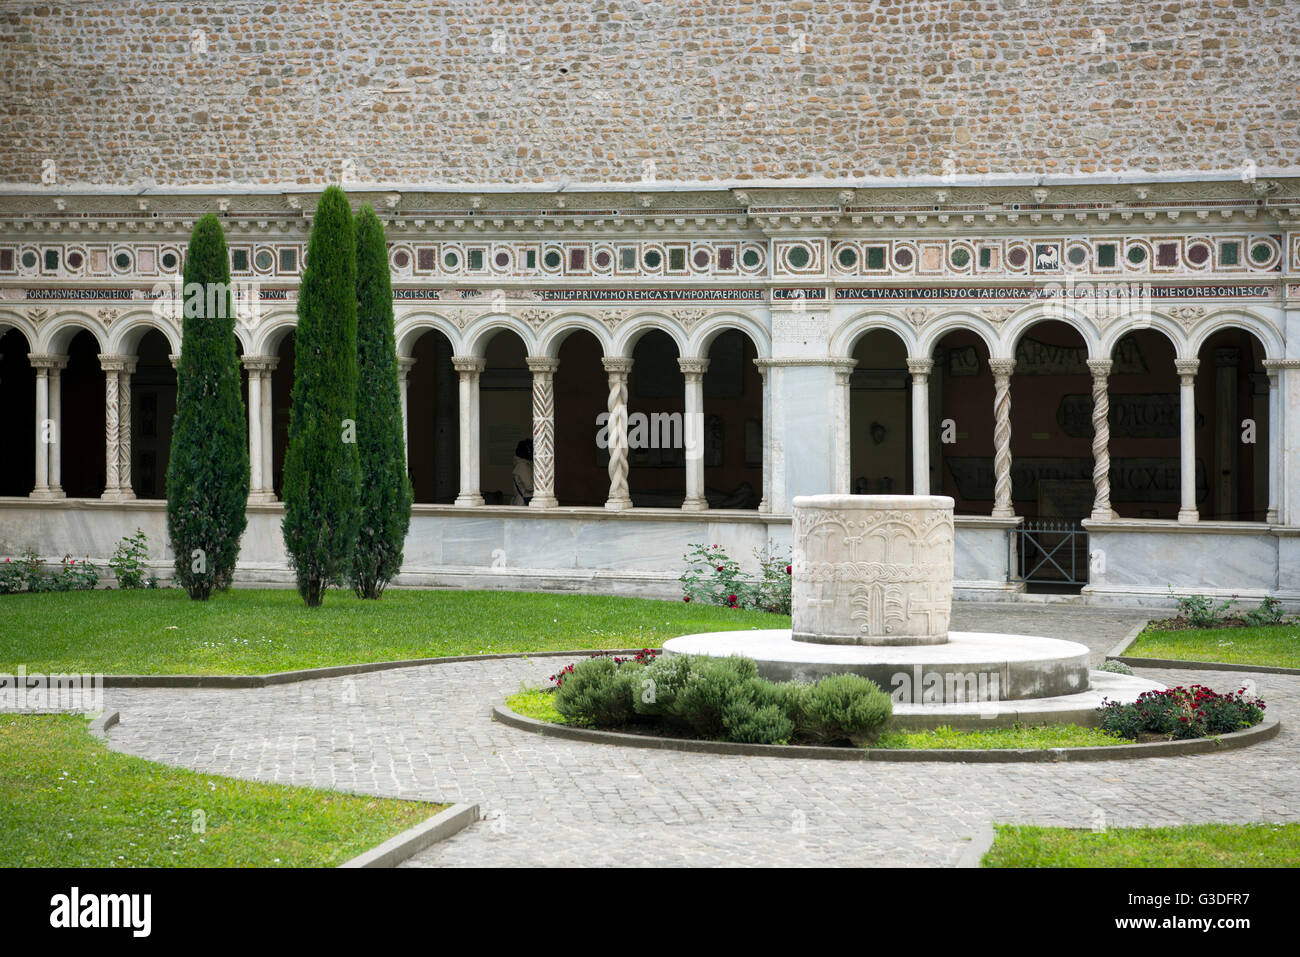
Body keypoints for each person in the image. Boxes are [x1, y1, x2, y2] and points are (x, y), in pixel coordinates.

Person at [512, 439, 534, 506]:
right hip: (523, 503)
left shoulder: (522, 464)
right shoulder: (523, 466)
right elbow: (530, 487)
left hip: (522, 500)